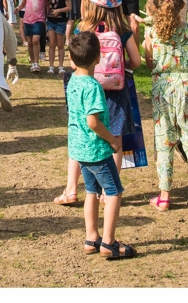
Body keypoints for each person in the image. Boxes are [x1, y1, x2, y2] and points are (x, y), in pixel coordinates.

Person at [56, 0, 142, 205]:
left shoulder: (82, 28)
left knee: (79, 137)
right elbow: (136, 61)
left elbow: (75, 64)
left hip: (86, 88)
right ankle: (107, 192)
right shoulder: (122, 29)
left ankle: (71, 189)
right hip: (115, 92)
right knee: (115, 139)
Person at [66, 32, 134, 259]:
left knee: (92, 192)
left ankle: (91, 237)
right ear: (98, 58)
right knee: (114, 192)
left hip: (79, 149)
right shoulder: (93, 86)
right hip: (96, 150)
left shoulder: (72, 81)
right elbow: (93, 122)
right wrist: (113, 140)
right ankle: (109, 242)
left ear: (72, 59)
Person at [143, 0, 188, 212]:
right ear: (181, 4)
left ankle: (165, 195)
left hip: (163, 89)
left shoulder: (152, 32)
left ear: (155, 6)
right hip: (187, 87)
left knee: (164, 141)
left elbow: (150, 63)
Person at [18, 0, 49, 72]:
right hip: (27, 20)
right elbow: (23, 4)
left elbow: (47, 5)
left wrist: (49, 15)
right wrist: (17, 9)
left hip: (39, 20)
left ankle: (36, 62)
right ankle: (32, 63)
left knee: (36, 40)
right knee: (30, 42)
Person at [45, 0, 71, 75]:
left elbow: (69, 7)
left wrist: (58, 11)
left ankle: (61, 66)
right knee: (52, 44)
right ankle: (51, 66)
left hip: (60, 21)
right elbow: (47, 5)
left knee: (60, 44)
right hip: (50, 21)